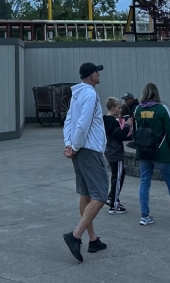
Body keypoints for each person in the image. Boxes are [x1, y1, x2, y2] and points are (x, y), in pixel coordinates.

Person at [62, 62, 108, 262]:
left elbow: (69, 121)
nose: (99, 74)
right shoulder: (90, 94)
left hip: (79, 150)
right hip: (89, 149)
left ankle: (93, 239)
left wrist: (70, 145)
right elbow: (83, 123)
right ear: (92, 76)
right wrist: (76, 145)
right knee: (100, 195)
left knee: (86, 194)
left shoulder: (77, 94)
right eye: (97, 72)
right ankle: (76, 235)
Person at [133, 82, 170, 226]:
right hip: (161, 152)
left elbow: (136, 132)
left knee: (144, 183)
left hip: (143, 152)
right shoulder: (161, 109)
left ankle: (145, 216)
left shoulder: (137, 110)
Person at [103, 97, 132, 214]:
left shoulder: (104, 120)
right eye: (119, 107)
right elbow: (119, 135)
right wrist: (126, 126)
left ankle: (111, 197)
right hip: (115, 152)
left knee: (117, 174)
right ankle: (114, 205)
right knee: (118, 176)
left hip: (109, 151)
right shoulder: (112, 122)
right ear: (113, 108)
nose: (120, 110)